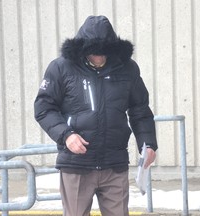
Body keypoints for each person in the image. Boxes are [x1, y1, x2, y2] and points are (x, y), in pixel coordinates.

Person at [34, 15, 158, 216]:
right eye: (93, 52)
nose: (99, 57)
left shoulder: (127, 68)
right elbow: (43, 108)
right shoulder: (61, 68)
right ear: (83, 48)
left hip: (114, 165)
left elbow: (140, 110)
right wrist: (66, 135)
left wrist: (149, 143)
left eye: (104, 52)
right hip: (76, 165)